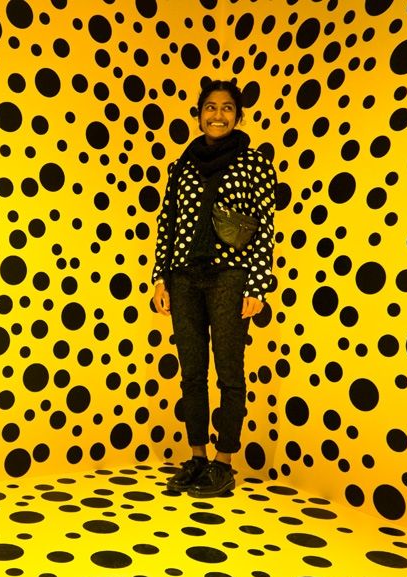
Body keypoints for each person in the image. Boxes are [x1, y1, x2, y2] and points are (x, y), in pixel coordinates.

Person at [151, 79, 277, 498]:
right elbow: (167, 223)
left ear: (237, 116)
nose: (217, 114)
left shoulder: (255, 163)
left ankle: (223, 463)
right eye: (210, 107)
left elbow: (264, 226)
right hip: (183, 276)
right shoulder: (181, 165)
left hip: (230, 276)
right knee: (191, 372)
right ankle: (197, 457)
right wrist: (160, 277)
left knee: (229, 372)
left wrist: (257, 285)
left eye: (226, 108)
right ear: (199, 114)